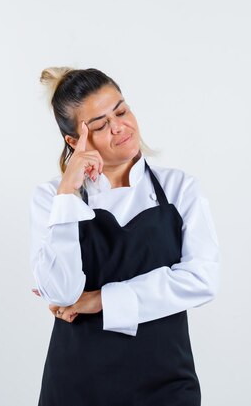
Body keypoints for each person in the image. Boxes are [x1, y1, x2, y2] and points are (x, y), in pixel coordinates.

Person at [29, 67, 221, 406]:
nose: (120, 127)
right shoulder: (52, 199)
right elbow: (61, 291)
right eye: (100, 125)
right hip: (76, 386)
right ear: (74, 141)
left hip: (166, 385)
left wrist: (101, 299)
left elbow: (202, 279)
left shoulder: (180, 189)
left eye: (121, 110)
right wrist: (67, 192)